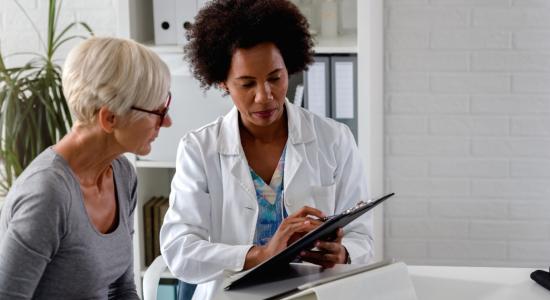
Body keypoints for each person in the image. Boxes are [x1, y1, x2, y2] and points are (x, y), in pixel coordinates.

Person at [160, 0, 373, 299]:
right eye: (247, 84)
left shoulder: (335, 139)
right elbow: (180, 250)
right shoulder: (199, 149)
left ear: (290, 67)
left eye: (275, 78)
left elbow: (363, 236)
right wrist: (259, 254)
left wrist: (343, 254)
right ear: (223, 82)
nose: (265, 96)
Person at [0, 37, 172, 299]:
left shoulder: (122, 175)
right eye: (157, 112)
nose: (167, 122)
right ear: (109, 118)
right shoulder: (47, 195)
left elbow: (121, 288)